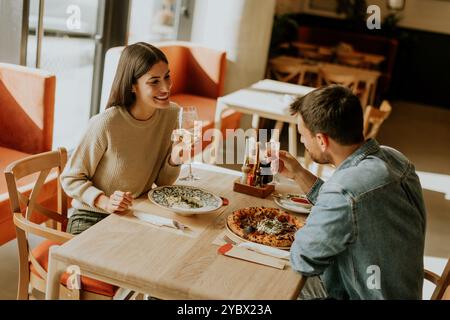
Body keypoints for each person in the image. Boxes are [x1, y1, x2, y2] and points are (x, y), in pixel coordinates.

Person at [278, 85, 426, 299]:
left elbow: (303, 259)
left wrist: (306, 229)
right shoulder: (395, 159)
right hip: (400, 291)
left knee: (267, 277)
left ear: (322, 140)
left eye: (302, 135)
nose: (301, 141)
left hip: (356, 293)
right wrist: (299, 173)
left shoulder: (344, 190)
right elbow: (353, 208)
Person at [61, 42, 184, 235]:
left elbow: (163, 184)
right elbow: (70, 178)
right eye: (154, 81)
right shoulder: (106, 123)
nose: (166, 87)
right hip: (91, 217)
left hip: (134, 214)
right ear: (133, 86)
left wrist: (176, 155)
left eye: (167, 77)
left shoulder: (171, 114)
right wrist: (105, 201)